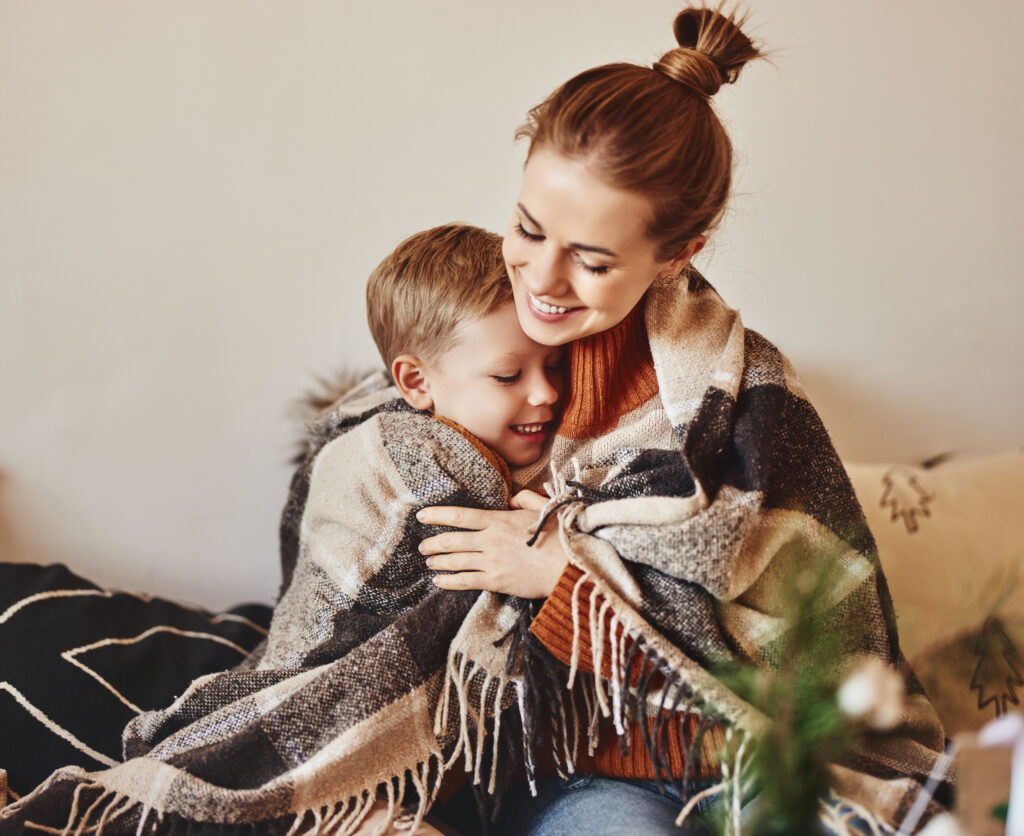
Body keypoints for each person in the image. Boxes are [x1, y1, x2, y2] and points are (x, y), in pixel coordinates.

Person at [418, 7, 952, 835]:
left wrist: (569, 578)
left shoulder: (748, 396)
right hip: (587, 769)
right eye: (527, 228)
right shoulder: (474, 338)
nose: (544, 278)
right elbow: (381, 513)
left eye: (593, 261)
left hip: (752, 756)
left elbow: (807, 636)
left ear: (680, 253)